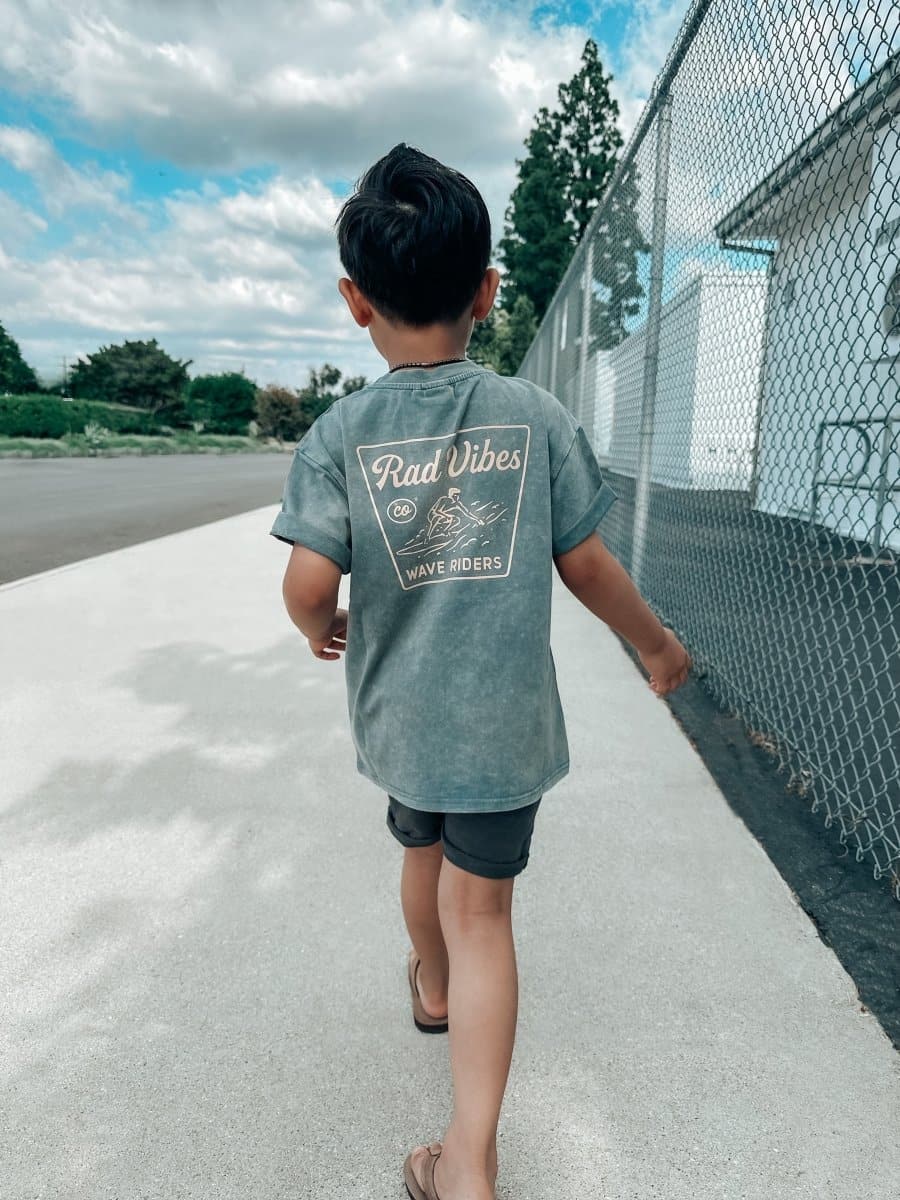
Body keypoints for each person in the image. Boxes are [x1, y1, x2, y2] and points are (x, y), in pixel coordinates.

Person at [270, 142, 692, 1200]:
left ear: (354, 302)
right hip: (503, 729)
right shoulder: (537, 418)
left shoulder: (338, 433)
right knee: (486, 912)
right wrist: (653, 642)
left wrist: (320, 622)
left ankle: (430, 988)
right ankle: (470, 1157)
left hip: (404, 724)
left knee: (419, 855)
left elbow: (310, 580)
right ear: (489, 292)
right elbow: (587, 562)